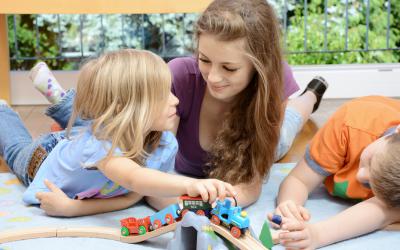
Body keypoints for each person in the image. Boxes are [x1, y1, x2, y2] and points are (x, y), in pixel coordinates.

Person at [0, 49, 236, 217]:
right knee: (15, 146)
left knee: (95, 121)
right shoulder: (103, 148)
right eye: (164, 94)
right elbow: (134, 178)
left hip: (94, 136)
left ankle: (62, 100)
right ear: (130, 108)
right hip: (42, 158)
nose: (176, 100)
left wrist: (75, 208)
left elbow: (134, 195)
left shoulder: (164, 145)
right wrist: (189, 185)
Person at [147, 0, 328, 209]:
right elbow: (154, 178)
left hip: (264, 132)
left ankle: (311, 95)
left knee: (287, 129)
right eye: (204, 60)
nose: (213, 77)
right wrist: (191, 209)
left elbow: (249, 188)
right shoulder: (180, 76)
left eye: (229, 68)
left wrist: (204, 208)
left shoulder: (272, 80)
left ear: (258, 66)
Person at [269, 96, 400, 249]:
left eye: (372, 183)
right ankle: (311, 95)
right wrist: (289, 204)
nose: (360, 176)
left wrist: (317, 234)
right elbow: (300, 180)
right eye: (370, 162)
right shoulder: (349, 125)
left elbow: (382, 213)